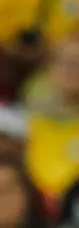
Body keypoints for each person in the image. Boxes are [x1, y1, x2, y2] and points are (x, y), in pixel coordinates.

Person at [23, 33, 79, 196]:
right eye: (64, 61)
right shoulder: (28, 125)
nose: (71, 69)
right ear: (50, 69)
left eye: (78, 62)